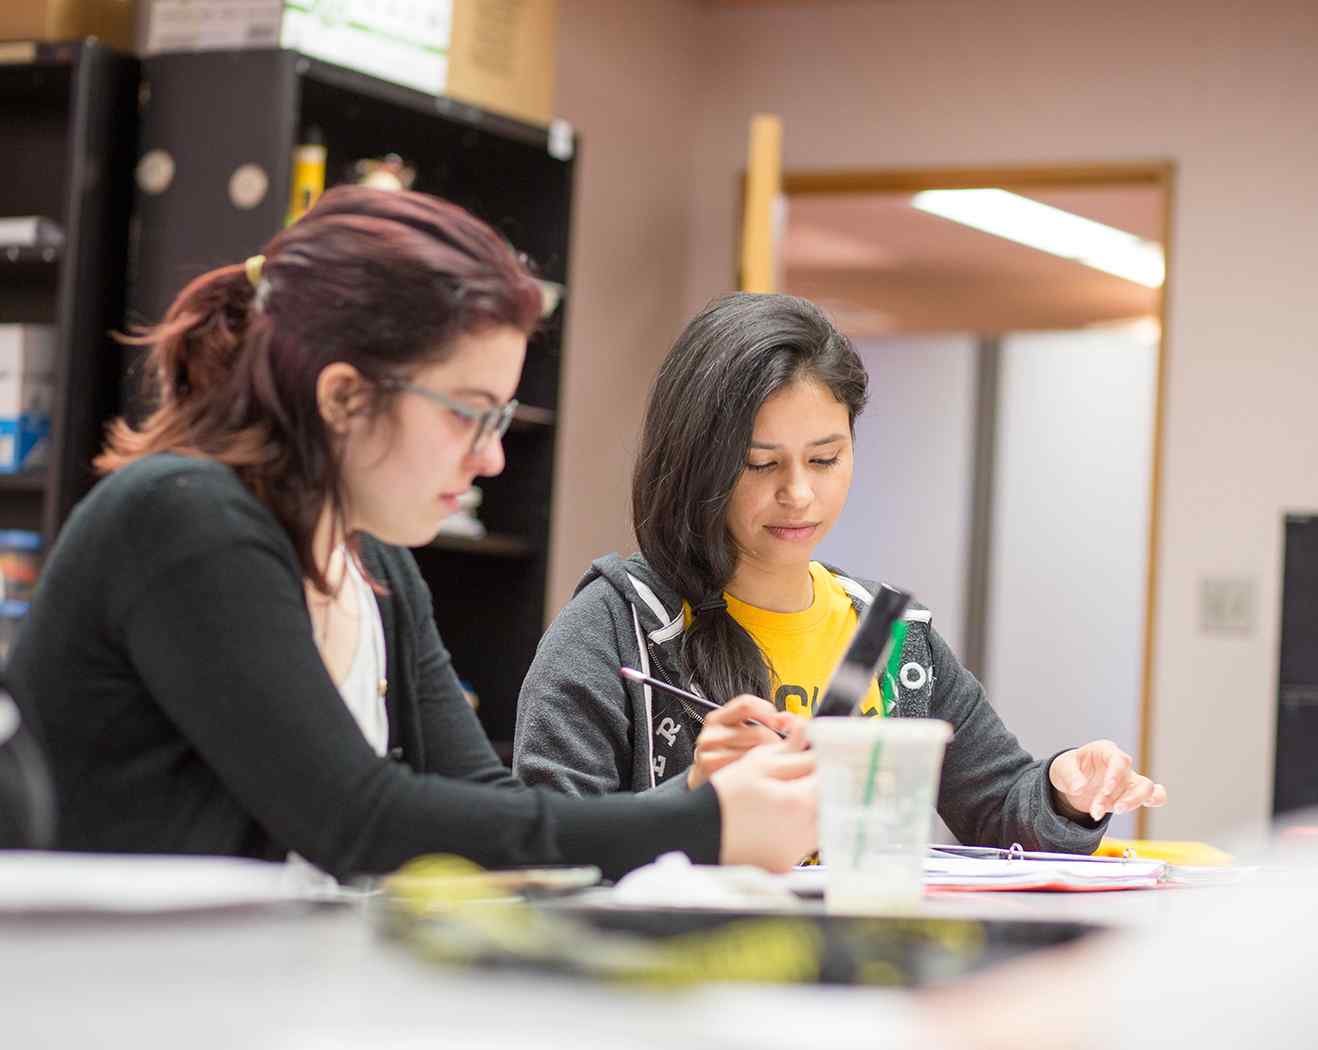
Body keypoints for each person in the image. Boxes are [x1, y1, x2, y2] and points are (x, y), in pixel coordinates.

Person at [4, 188, 816, 882]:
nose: (493, 455)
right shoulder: (183, 518)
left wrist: (691, 803)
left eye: (500, 418)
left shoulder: (372, 561)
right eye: (470, 413)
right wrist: (703, 828)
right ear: (345, 398)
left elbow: (488, 815)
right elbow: (358, 820)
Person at [513, 292, 1165, 851]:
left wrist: (1065, 790)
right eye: (761, 464)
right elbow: (547, 844)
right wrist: (689, 799)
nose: (799, 493)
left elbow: (1000, 806)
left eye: (825, 459)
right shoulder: (618, 627)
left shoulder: (890, 637)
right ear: (696, 462)